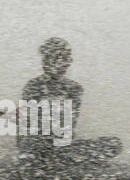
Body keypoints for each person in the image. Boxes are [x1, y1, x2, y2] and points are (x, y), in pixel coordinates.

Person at [17, 37, 121, 166]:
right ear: (46, 61)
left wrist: (62, 144)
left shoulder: (74, 89)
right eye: (58, 59)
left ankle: (65, 158)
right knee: (33, 144)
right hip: (38, 145)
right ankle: (48, 158)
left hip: (62, 147)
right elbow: (25, 126)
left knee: (114, 143)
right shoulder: (34, 86)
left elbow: (69, 125)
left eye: (67, 59)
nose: (66, 64)